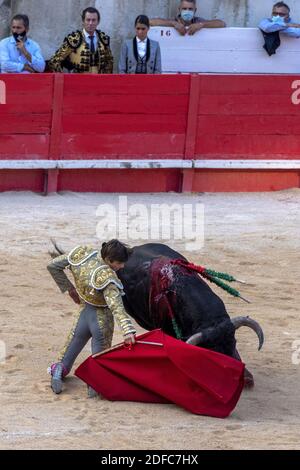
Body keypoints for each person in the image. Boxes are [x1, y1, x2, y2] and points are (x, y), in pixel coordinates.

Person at [47, 240, 136, 396]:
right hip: (101, 322)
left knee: (68, 353)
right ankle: (94, 386)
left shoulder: (82, 253)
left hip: (83, 314)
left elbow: (53, 266)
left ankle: (59, 370)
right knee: (100, 361)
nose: (122, 266)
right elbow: (116, 307)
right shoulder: (108, 278)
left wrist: (70, 289)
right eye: (119, 263)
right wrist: (128, 331)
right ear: (109, 260)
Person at [47, 7, 113, 73]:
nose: (90, 23)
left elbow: (109, 61)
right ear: (83, 21)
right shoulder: (73, 39)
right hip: (78, 81)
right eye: (88, 20)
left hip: (99, 81)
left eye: (93, 20)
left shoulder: (103, 38)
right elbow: (54, 61)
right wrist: (64, 78)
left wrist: (106, 80)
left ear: (98, 21)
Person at [150, 0, 225, 36]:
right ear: (179, 9)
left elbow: (222, 24)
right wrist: (173, 23)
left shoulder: (198, 21)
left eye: (190, 9)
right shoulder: (174, 21)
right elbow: (151, 22)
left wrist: (201, 24)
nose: (187, 11)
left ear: (195, 10)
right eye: (184, 9)